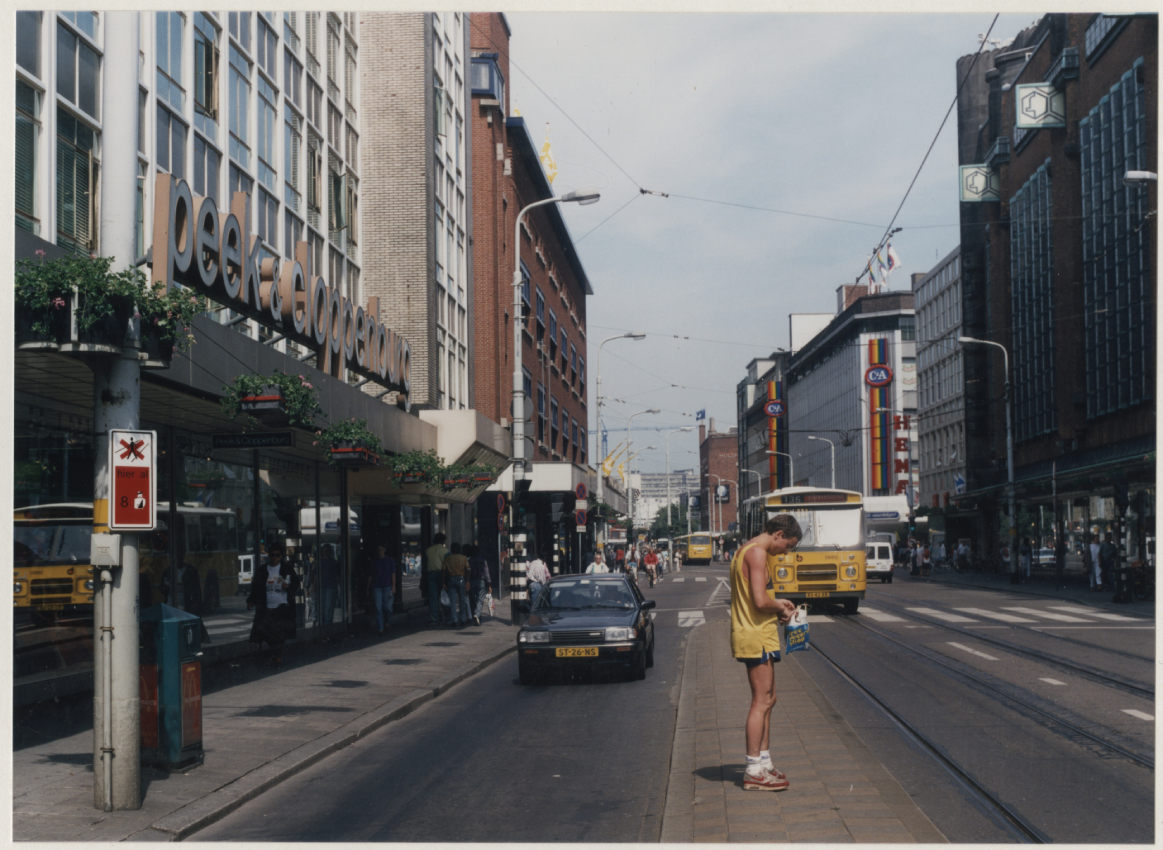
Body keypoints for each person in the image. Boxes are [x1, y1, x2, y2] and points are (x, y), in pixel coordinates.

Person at [730, 514, 800, 792]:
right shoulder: (757, 554)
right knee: (761, 702)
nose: (785, 553)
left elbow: (756, 597)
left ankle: (765, 763)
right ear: (779, 534)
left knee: (770, 699)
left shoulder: (744, 550)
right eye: (788, 546)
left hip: (760, 633)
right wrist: (780, 607)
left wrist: (777, 604)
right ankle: (752, 770)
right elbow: (760, 601)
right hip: (755, 635)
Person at [247, 542, 298, 667]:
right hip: (266, 606)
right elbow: (256, 587)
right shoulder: (262, 570)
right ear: (269, 555)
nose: (274, 557)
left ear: (281, 556)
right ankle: (276, 652)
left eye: (277, 555)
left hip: (282, 605)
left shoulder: (287, 569)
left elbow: (296, 584)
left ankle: (278, 655)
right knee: (266, 632)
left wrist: (288, 587)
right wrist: (251, 601)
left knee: (279, 632)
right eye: (272, 555)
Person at [366, 544, 397, 635]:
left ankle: (387, 621)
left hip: (387, 586)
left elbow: (393, 574)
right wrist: (368, 588)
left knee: (388, 608)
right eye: (379, 550)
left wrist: (393, 586)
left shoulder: (389, 560)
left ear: (385, 550)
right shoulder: (374, 561)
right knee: (378, 608)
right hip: (376, 587)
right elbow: (370, 576)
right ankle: (380, 628)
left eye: (382, 549)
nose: (380, 551)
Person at [443, 542, 471, 627]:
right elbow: (468, 569)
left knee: (453, 601)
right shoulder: (463, 558)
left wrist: (444, 582)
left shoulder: (447, 558)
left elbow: (444, 571)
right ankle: (462, 619)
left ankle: (454, 620)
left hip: (451, 579)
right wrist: (467, 581)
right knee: (462, 600)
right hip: (461, 579)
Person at [425, 533, 450, 626]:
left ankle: (434, 618)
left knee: (433, 597)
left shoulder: (428, 550)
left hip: (431, 574)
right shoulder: (445, 551)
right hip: (442, 574)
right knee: (445, 596)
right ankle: (447, 617)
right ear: (443, 541)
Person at [466, 544, 492, 625]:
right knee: (480, 599)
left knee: (472, 599)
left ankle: (475, 615)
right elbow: (486, 574)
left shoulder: (469, 561)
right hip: (481, 581)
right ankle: (477, 615)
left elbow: (467, 571)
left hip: (472, 581)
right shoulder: (483, 561)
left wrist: (467, 581)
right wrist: (489, 585)